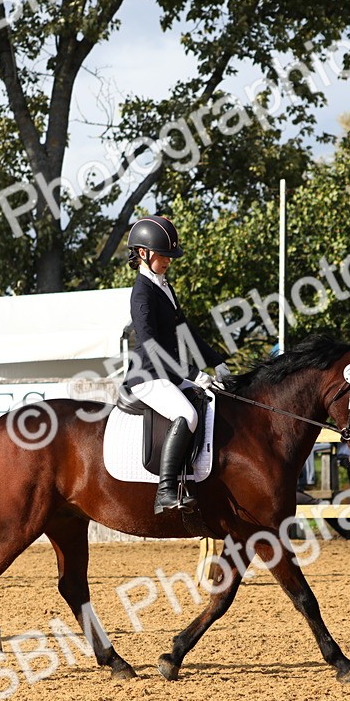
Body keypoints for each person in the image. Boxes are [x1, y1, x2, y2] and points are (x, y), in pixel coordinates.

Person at [124, 215, 230, 514]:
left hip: (167, 373)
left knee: (213, 400)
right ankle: (166, 491)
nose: (169, 261)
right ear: (144, 253)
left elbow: (186, 330)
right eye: (164, 255)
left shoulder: (162, 285)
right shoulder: (142, 292)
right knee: (187, 414)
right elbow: (150, 344)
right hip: (147, 375)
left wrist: (216, 361)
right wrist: (193, 374)